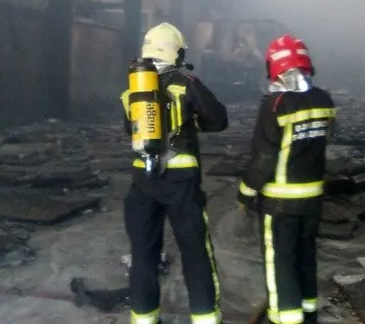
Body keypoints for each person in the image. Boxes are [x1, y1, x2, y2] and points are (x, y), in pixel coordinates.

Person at [120, 22, 229, 324]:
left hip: (143, 182)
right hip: (181, 184)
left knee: (143, 257)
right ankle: (206, 319)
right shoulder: (186, 82)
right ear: (176, 52)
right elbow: (218, 119)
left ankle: (144, 320)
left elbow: (132, 130)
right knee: (196, 254)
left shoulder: (133, 89)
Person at [237, 34, 336, 324]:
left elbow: (264, 158)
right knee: (306, 256)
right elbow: (327, 135)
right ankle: (309, 315)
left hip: (280, 203)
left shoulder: (276, 105)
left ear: (275, 67)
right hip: (313, 199)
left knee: (280, 262)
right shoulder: (324, 99)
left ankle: (285, 319)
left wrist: (246, 193)